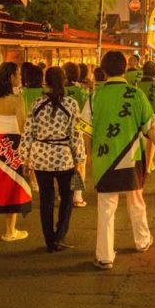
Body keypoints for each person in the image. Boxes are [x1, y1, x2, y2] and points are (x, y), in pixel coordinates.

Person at [91, 51, 155, 270]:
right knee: (136, 200)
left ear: (104, 70)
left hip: (104, 160)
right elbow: (150, 127)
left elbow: (85, 129)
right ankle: (142, 241)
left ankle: (105, 256)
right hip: (132, 157)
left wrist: (87, 157)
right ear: (125, 69)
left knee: (106, 208)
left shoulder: (94, 96)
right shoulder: (136, 95)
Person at [19, 66, 84, 252]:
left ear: (46, 82)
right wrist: (79, 158)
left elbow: (28, 132)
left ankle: (49, 239)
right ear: (63, 81)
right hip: (64, 156)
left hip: (41, 157)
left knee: (46, 200)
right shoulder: (70, 104)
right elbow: (75, 134)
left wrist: (24, 158)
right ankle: (60, 235)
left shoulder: (37, 104)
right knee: (67, 197)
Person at [0, 62, 31, 246]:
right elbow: (23, 125)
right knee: (14, 187)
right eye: (18, 74)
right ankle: (10, 231)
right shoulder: (16, 99)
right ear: (11, 78)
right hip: (13, 145)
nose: (20, 78)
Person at [64, 62, 91, 207]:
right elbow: (85, 115)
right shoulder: (82, 92)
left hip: (61, 132)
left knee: (64, 166)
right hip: (78, 131)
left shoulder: (60, 90)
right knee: (80, 164)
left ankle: (62, 194)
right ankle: (77, 196)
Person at [136, 61, 155, 174]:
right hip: (154, 113)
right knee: (152, 140)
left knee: (142, 139)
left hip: (141, 112)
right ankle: (149, 165)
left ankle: (146, 163)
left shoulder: (138, 84)